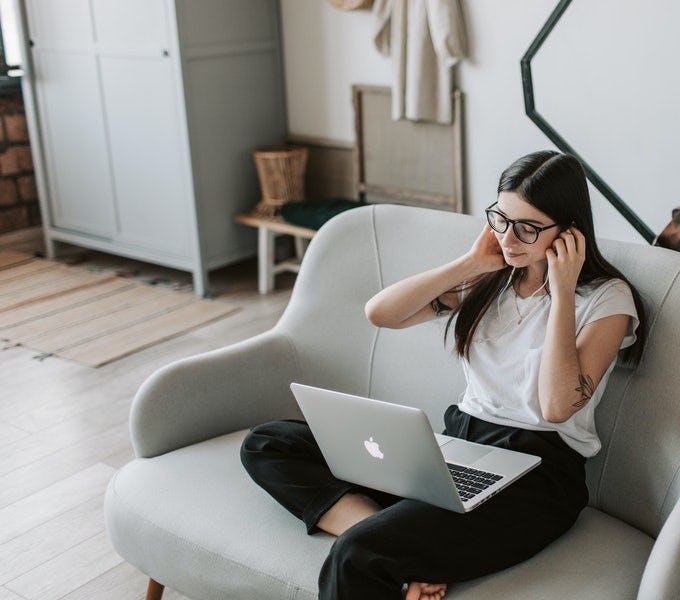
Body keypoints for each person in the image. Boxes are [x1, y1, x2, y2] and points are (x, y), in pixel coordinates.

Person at [240, 150, 646, 600]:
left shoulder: (607, 300)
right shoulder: (492, 279)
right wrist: (470, 263)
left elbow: (555, 406)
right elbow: (381, 313)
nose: (509, 239)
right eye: (501, 219)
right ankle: (383, 537)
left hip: (538, 476)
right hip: (457, 447)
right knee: (268, 442)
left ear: (569, 232)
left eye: (528, 228)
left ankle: (382, 545)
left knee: (357, 555)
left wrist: (563, 289)